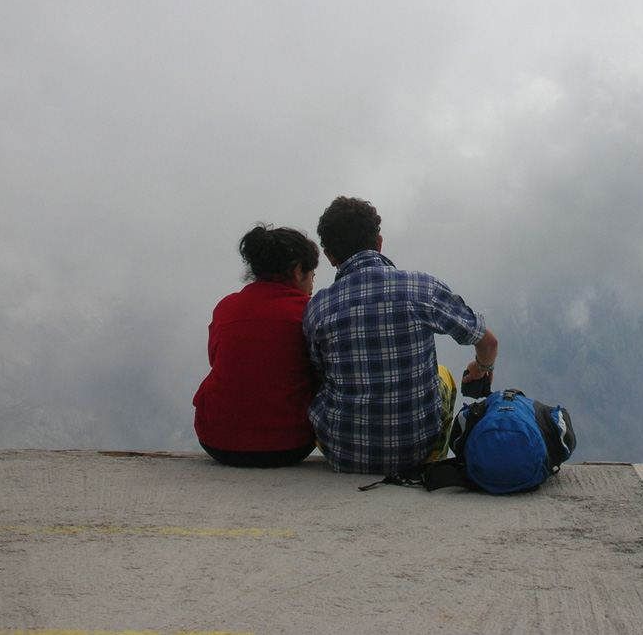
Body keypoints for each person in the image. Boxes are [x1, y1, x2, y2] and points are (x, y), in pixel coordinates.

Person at [303, 197, 498, 476]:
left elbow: (320, 373)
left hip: (344, 455)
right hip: (415, 452)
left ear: (330, 256)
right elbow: (488, 342)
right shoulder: (422, 288)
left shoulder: (317, 309)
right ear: (379, 242)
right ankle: (432, 460)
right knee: (445, 377)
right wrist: (482, 369)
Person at [194, 224, 320, 468]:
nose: (312, 288)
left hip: (217, 442)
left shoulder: (226, 308)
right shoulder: (309, 312)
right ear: (297, 271)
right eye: (312, 277)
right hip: (290, 446)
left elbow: (216, 358)